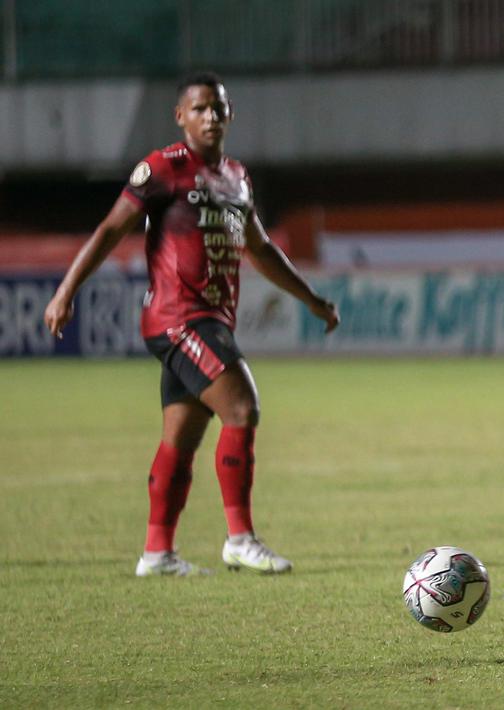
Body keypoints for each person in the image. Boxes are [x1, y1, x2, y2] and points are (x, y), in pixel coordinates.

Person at [43, 71, 340, 577]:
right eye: (199, 108)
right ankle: (240, 539)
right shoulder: (162, 168)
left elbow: (262, 250)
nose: (210, 117)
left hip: (208, 320)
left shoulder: (237, 178)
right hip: (179, 317)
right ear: (180, 116)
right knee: (242, 408)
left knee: (181, 438)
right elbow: (111, 228)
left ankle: (157, 553)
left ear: (229, 115)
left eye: (218, 108)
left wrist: (312, 300)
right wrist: (66, 291)